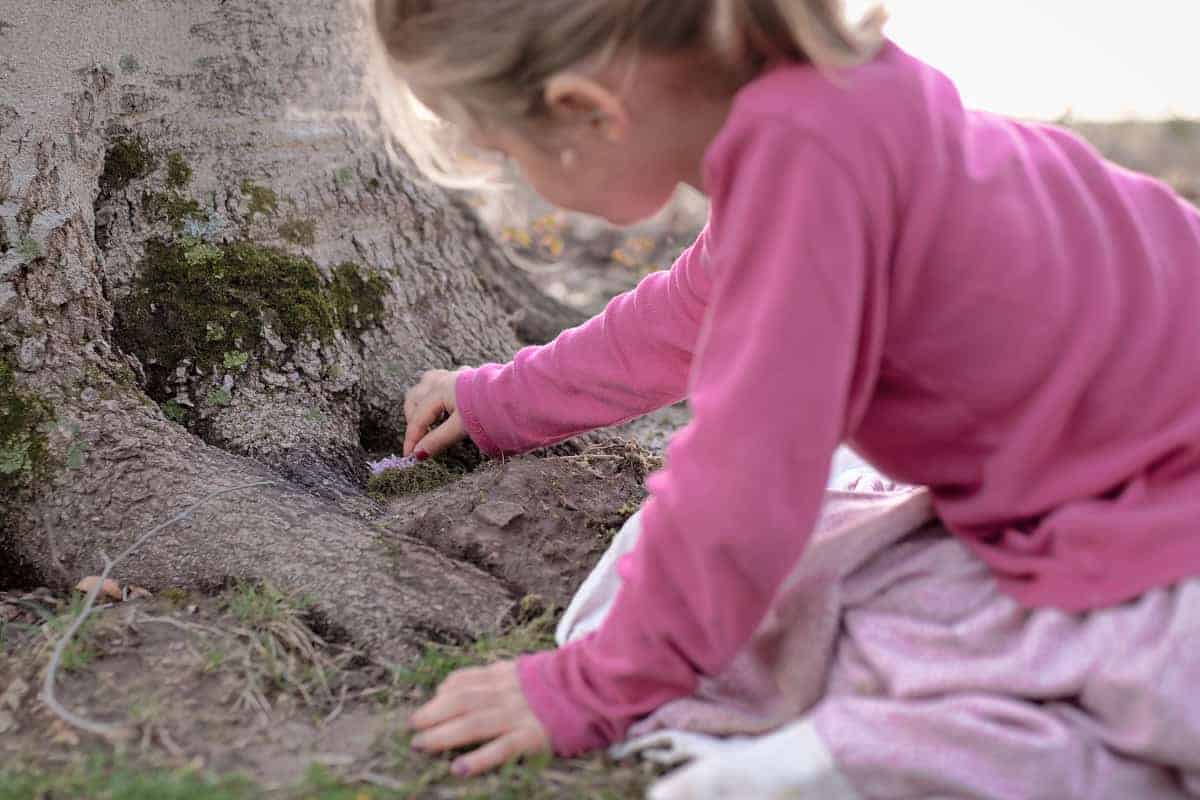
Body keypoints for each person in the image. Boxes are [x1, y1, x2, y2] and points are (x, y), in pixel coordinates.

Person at [374, 0, 1200, 792]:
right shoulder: (815, 108)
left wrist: (594, 687)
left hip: (1167, 484)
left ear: (585, 111)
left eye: (507, 151)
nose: (513, 174)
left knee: (958, 676)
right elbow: (686, 313)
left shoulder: (806, 153)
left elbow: (747, 477)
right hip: (1136, 425)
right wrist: (502, 399)